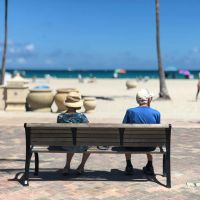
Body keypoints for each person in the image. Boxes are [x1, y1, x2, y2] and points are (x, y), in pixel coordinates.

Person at [122, 89, 160, 175]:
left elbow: (123, 127)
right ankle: (150, 165)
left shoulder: (130, 111)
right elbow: (156, 131)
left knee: (127, 139)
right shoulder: (156, 113)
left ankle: (129, 165)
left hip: (131, 146)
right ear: (149, 99)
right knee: (149, 137)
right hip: (149, 146)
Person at [57, 91, 90, 175]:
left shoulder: (60, 117)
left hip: (64, 145)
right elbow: (88, 130)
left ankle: (67, 166)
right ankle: (81, 166)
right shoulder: (82, 117)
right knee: (90, 143)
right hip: (80, 146)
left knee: (70, 141)